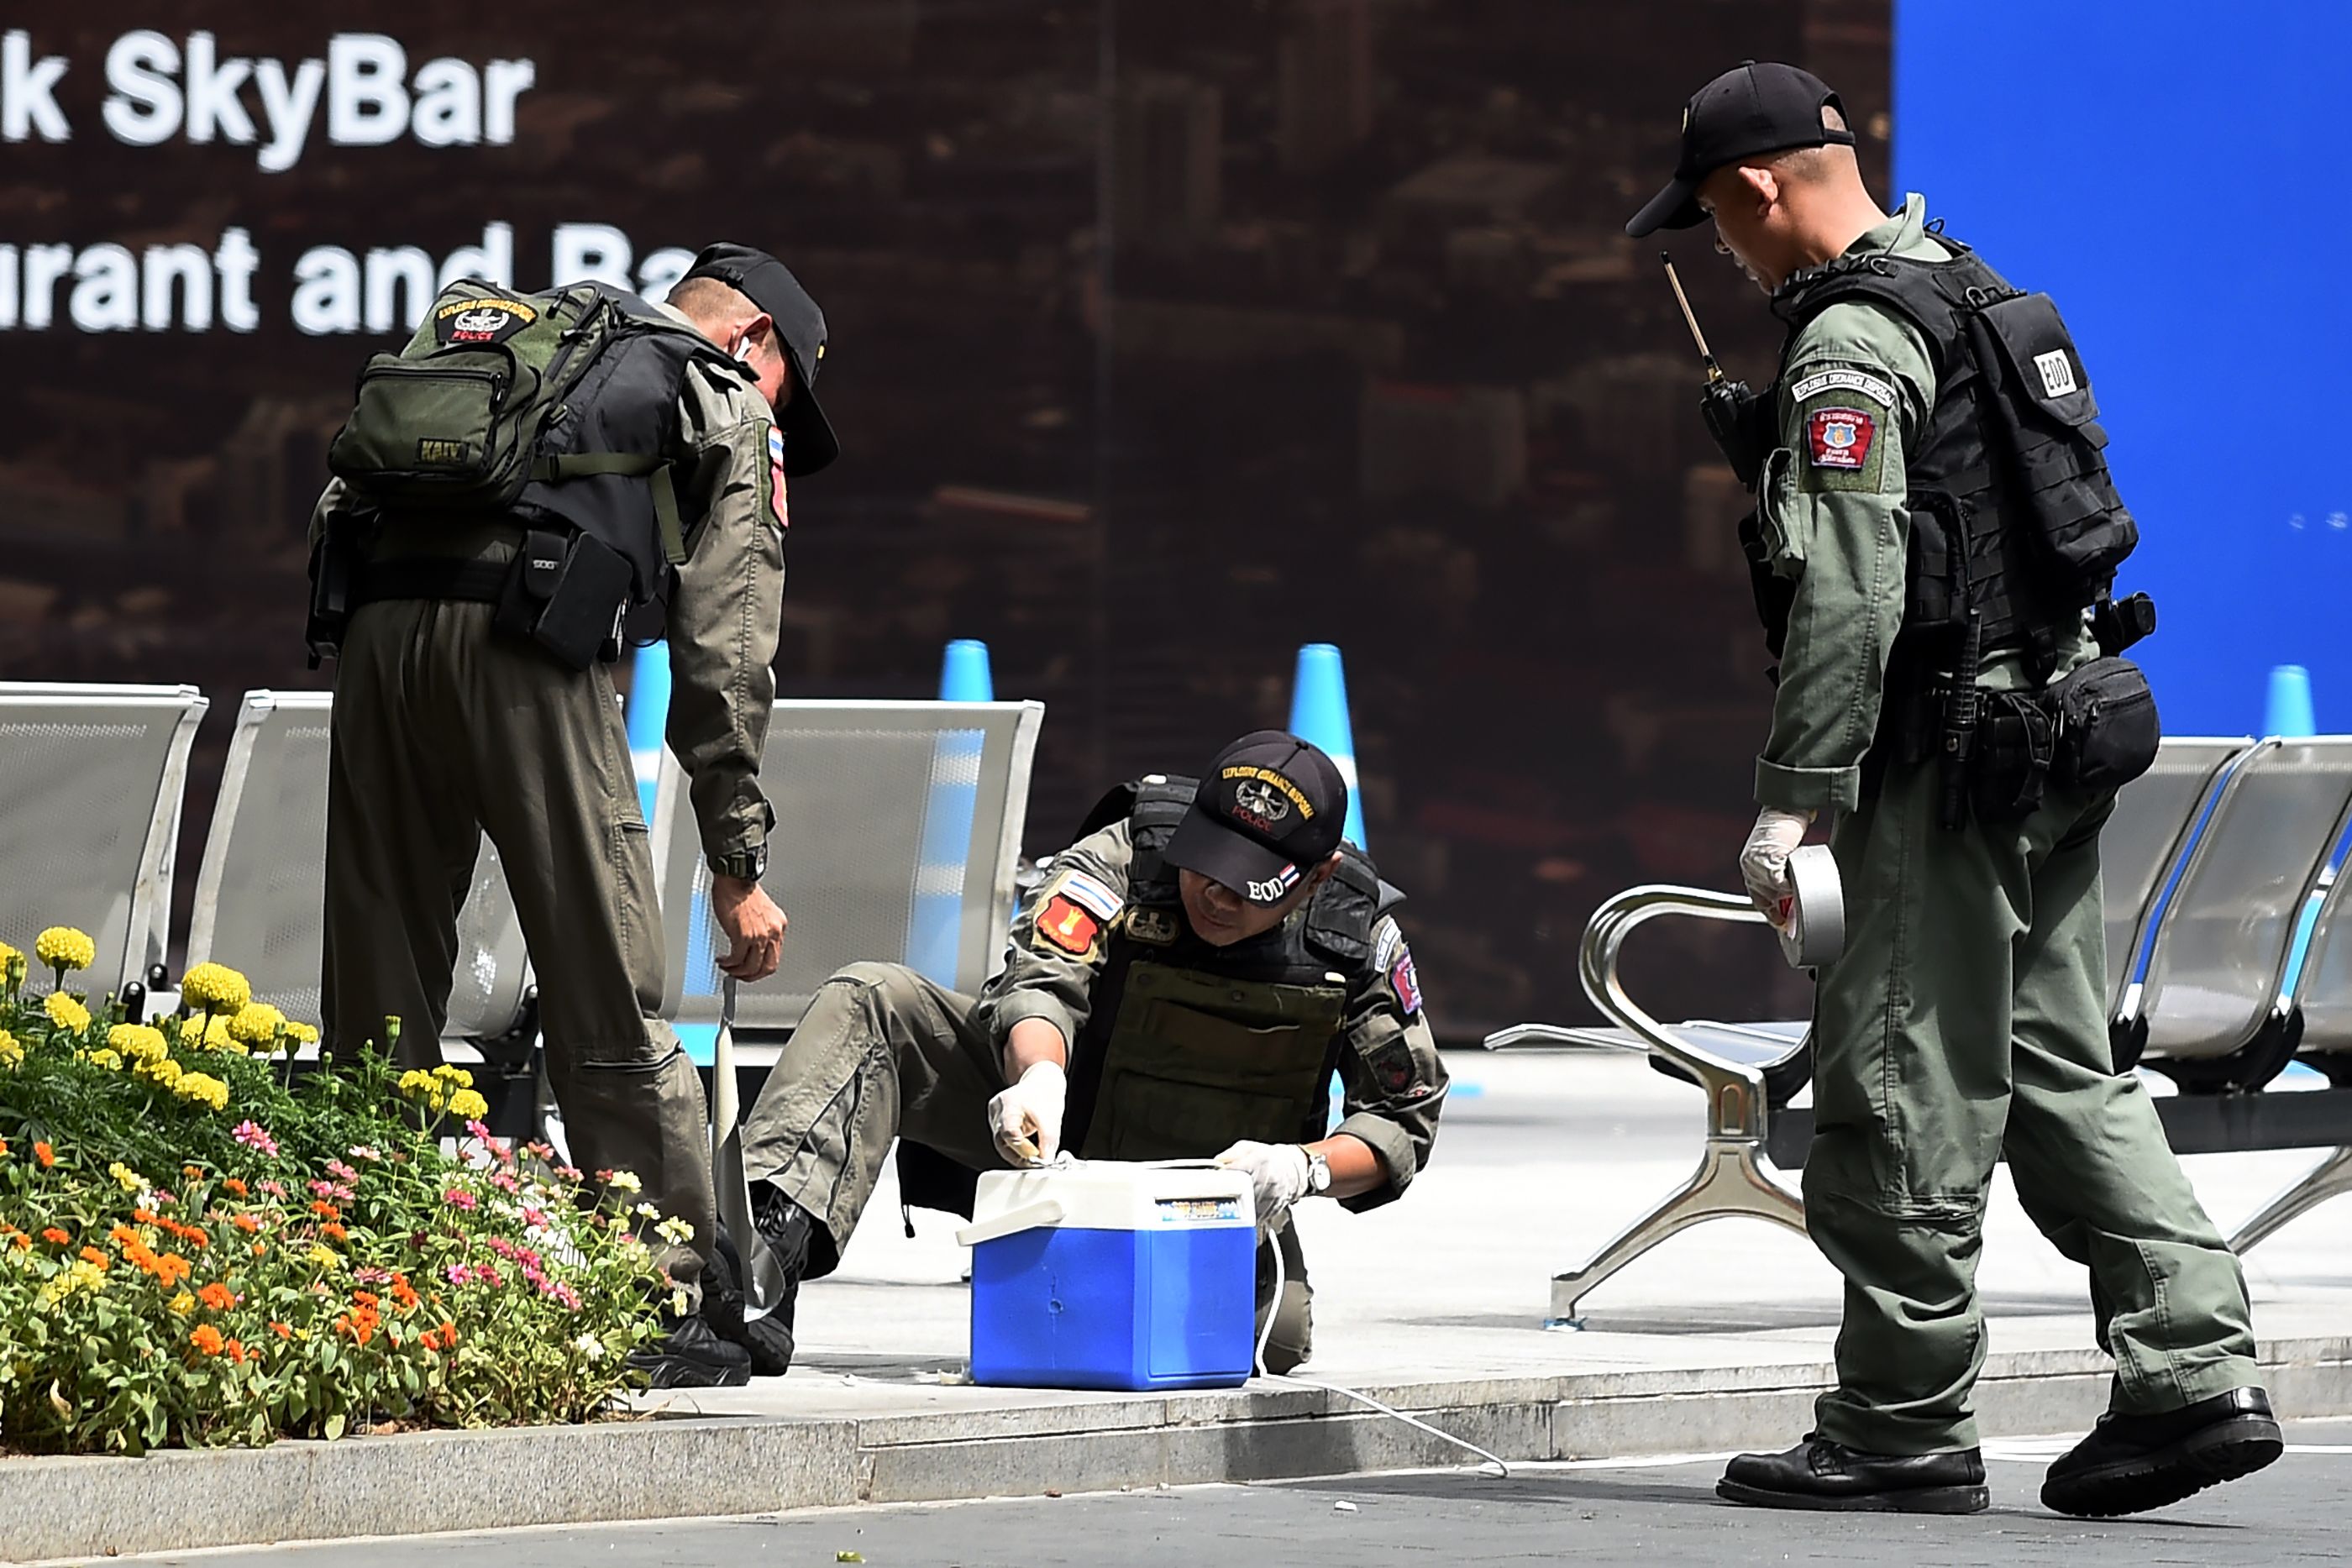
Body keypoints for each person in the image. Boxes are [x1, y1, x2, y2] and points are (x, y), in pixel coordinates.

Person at [1627, 61, 2278, 1517]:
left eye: (1719, 225)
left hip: (1933, 770)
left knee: (1900, 1078)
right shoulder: (1974, 289)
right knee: (2057, 1063)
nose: (1724, 254)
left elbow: (1849, 599)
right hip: (2051, 741)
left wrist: (1791, 801)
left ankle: (1898, 1418)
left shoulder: (1851, 347)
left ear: (1758, 189)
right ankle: (2194, 1367)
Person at [307, 244, 839, 1387]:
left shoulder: (516, 344)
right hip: (528, 650)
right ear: (754, 340)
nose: (779, 403)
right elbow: (726, 649)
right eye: (791, 379)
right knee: (608, 976)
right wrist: (736, 857)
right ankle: (665, 1293)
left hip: (377, 637)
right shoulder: (717, 389)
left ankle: (360, 1266)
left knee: (378, 974)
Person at [718, 731, 1447, 1377]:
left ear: (1314, 878)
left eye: (1247, 888)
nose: (1216, 898)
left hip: (1214, 1197)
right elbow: (1042, 976)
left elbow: (1403, 1118)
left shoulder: (1356, 940)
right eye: (1206, 868)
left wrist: (1302, 1166)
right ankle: (758, 1265)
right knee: (871, 1000)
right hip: (1052, 1133)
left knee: (1268, 1343)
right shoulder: (1128, 853)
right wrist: (1037, 1075)